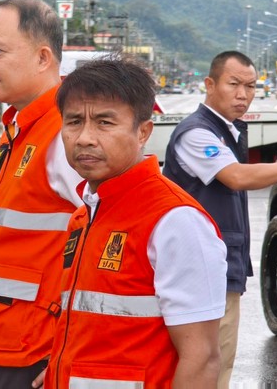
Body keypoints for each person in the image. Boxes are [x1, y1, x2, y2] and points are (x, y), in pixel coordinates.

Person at [40, 56, 227, 388]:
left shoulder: (176, 221)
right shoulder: (85, 215)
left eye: (104, 122)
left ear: (143, 132)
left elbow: (201, 359)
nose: (84, 138)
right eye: (74, 122)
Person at [0, 0, 83, 388]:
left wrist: (73, 349)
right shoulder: (21, 126)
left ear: (43, 57)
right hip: (5, 339)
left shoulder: (65, 133)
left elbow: (109, 243)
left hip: (36, 351)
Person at [163, 50, 277, 388]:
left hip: (219, 266)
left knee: (218, 363)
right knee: (209, 367)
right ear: (209, 84)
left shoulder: (227, 132)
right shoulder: (196, 133)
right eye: (233, 84)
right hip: (201, 270)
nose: (243, 94)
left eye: (250, 86)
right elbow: (237, 177)